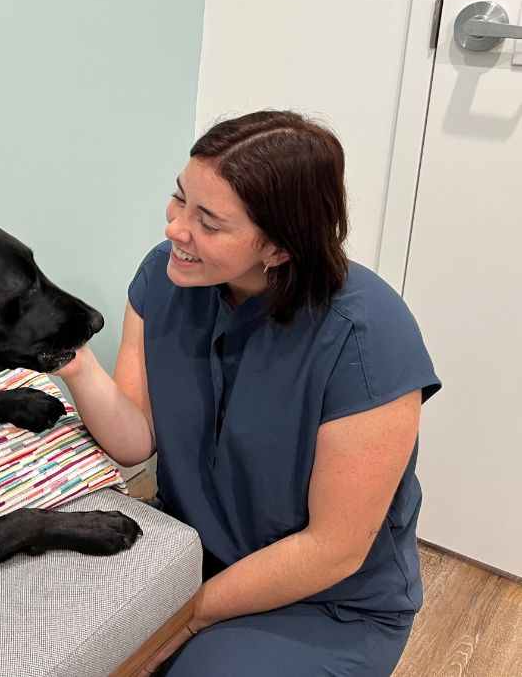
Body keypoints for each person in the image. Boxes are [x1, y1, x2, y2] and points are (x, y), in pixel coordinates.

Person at [56, 110, 440, 677]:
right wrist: (73, 361)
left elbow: (333, 549)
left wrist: (188, 616)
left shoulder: (367, 337)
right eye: (179, 198)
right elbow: (136, 441)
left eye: (208, 223)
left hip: (327, 600)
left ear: (280, 248)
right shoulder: (166, 277)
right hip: (193, 551)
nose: (174, 230)